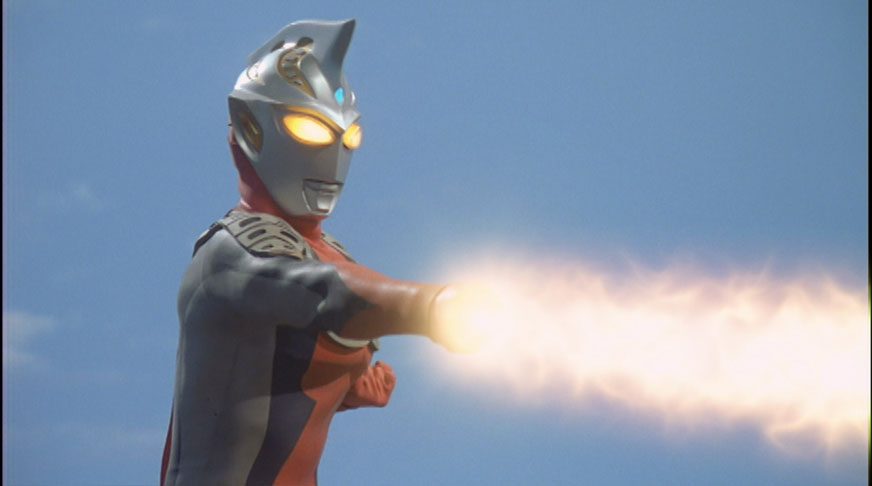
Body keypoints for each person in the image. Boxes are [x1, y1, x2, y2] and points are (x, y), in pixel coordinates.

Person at [160, 19, 465, 486]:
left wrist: (350, 387)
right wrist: (429, 306)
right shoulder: (230, 256)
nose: (335, 152)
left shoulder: (325, 253)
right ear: (251, 127)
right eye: (310, 129)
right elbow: (320, 296)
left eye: (349, 135)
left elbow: (280, 371)